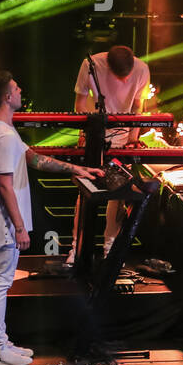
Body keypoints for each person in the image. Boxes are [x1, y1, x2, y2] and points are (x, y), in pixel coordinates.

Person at [0, 71, 102, 365]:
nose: (22, 91)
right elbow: (5, 185)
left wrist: (79, 169)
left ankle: (1, 341)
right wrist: (20, 227)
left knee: (1, 283)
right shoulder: (3, 136)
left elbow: (35, 159)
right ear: (7, 97)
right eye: (17, 88)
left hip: (2, 219)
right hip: (5, 222)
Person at [67, 44, 151, 264]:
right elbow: (80, 103)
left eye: (127, 76)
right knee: (86, 191)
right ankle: (76, 249)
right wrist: (86, 133)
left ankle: (110, 249)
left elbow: (137, 107)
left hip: (123, 135)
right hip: (95, 134)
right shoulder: (91, 64)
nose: (124, 81)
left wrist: (133, 138)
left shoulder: (142, 69)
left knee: (119, 193)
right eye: (119, 76)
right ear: (110, 66)